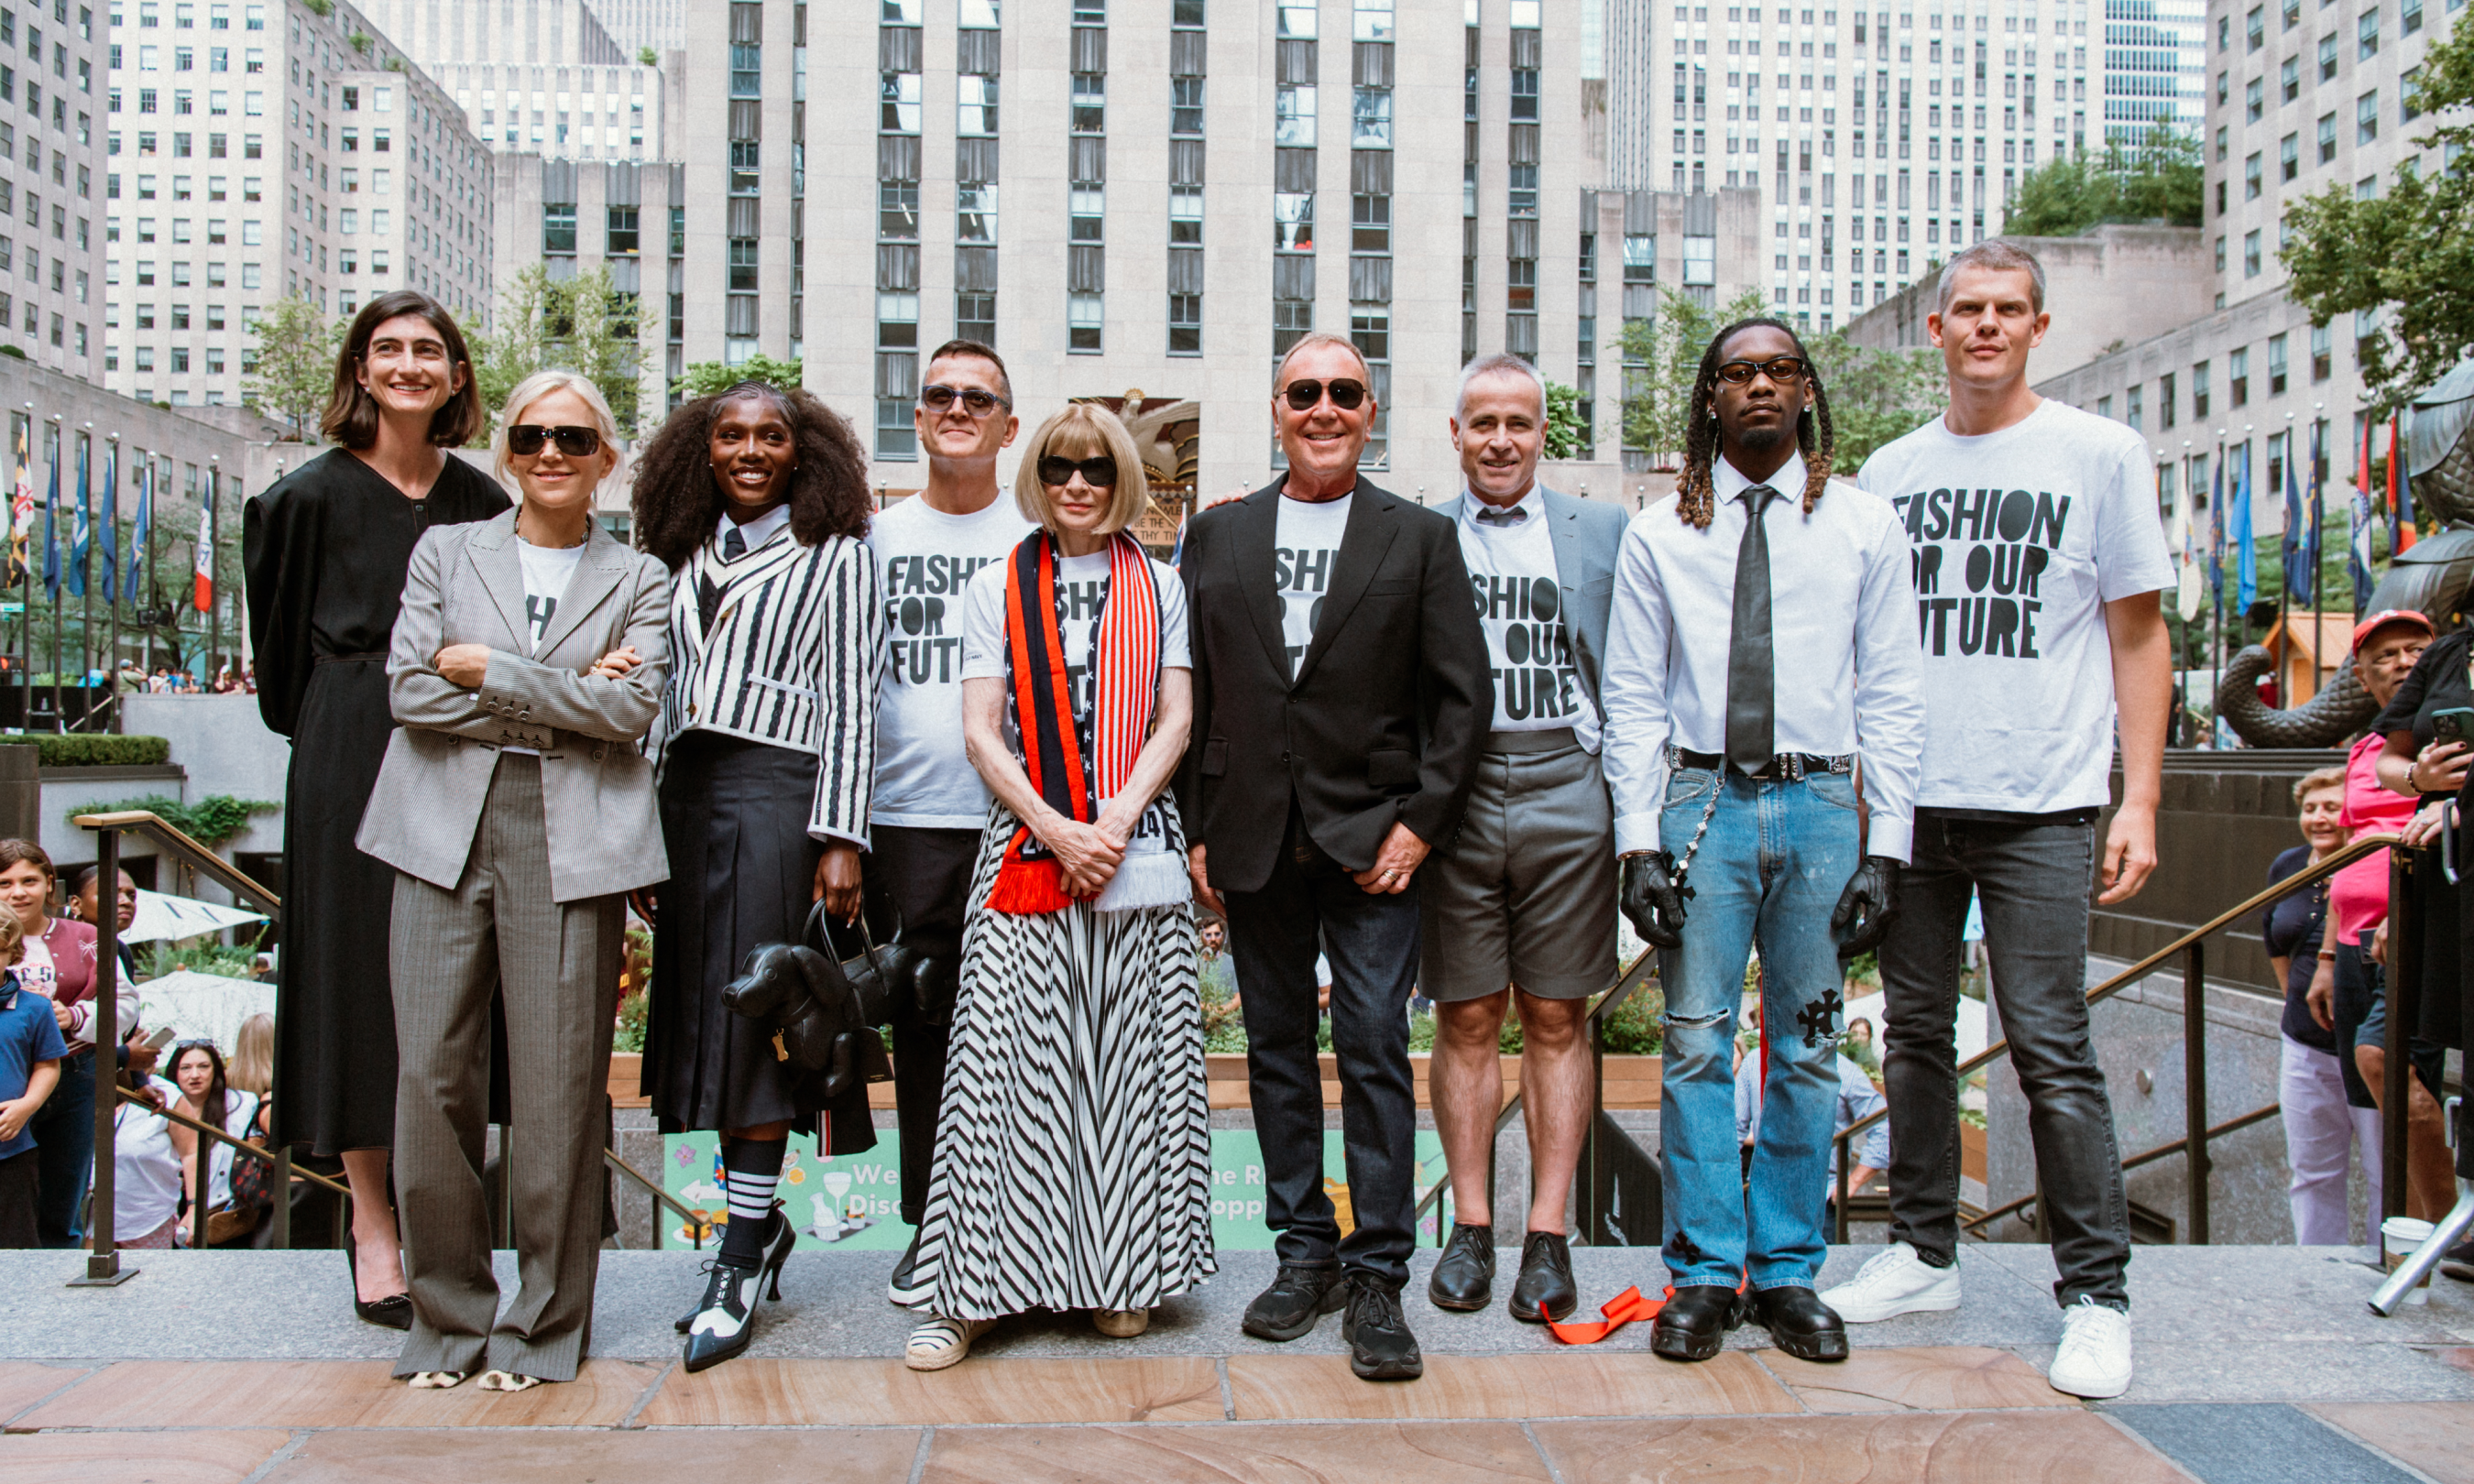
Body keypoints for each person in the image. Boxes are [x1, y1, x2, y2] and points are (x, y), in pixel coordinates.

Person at [1823, 241, 2173, 1402]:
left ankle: (2097, 1295)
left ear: (2039, 325)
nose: (1985, 327)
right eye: (1966, 310)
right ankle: (1925, 1253)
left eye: (2006, 310)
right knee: (1914, 1036)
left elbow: (2137, 634)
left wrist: (2143, 798)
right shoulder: (1889, 469)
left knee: (2050, 1045)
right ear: (1937, 331)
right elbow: (1870, 650)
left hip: (2045, 803)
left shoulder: (2099, 454)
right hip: (1914, 805)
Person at [1603, 316, 1922, 1366]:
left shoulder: (1865, 526)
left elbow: (1894, 693)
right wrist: (1637, 843)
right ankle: (1701, 1272)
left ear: (1807, 393)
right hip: (1701, 804)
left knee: (1812, 1042)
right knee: (1696, 1040)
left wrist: (1890, 847)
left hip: (1824, 808)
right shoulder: (1660, 533)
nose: (1760, 388)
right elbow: (1634, 696)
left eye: (1781, 371)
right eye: (1737, 373)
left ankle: (1787, 1272)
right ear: (1709, 398)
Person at [1177, 332, 1489, 1382]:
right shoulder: (1217, 537)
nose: (1323, 408)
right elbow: (1195, 694)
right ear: (1276, 407)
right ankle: (1302, 1254)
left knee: (1368, 1046)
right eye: (1303, 391)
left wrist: (1422, 824)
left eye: (1344, 393)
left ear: (1371, 410)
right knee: (1273, 1054)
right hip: (1254, 833)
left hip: (1375, 840)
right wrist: (1197, 826)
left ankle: (1379, 1279)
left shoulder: (1419, 538)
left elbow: (1462, 699)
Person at [356, 369, 673, 1391]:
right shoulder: (447, 550)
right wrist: (571, 692)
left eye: (575, 440)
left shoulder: (641, 577)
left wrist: (487, 669)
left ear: (606, 460)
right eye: (532, 436)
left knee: (560, 1089)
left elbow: (631, 719)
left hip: (574, 837)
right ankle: (447, 1320)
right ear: (506, 450)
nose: (551, 454)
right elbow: (409, 694)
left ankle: (541, 1329)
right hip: (440, 825)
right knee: (431, 1078)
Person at [900, 404, 1213, 1369]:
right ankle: (976, 1294)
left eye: (1096, 468)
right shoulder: (998, 584)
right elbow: (982, 730)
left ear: (1122, 478)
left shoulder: (1161, 584)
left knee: (1126, 1060)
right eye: (1060, 467)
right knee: (1000, 1066)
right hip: (1028, 845)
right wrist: (1057, 828)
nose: (1078, 483)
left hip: (1133, 842)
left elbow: (1177, 718)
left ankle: (1118, 1276)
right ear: (1038, 475)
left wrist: (1113, 822)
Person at [243, 289, 503, 1327]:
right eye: (387, 349)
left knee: (459, 977)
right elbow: (275, 680)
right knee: (357, 977)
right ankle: (373, 1225)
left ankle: (448, 1209)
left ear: (453, 375)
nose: (407, 365)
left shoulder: (485, 501)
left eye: (427, 350)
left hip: (466, 741)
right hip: (352, 743)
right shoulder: (301, 499)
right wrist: (346, 720)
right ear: (358, 369)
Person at [633, 379, 882, 1372]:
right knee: (702, 1031)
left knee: (760, 1032)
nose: (748, 450)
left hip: (781, 799)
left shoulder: (838, 558)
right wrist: (638, 831)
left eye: (769, 437)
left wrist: (841, 837)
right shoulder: (675, 556)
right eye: (729, 435)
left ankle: (738, 1257)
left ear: (800, 451)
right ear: (702, 450)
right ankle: (760, 1225)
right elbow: (655, 697)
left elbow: (854, 698)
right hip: (685, 801)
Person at [1421, 354, 1626, 1326]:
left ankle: (1547, 1236)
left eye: (1521, 422)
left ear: (1546, 434)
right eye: (1483, 422)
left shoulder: (1606, 531)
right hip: (1455, 792)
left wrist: (1634, 818)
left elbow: (1636, 675)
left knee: (1556, 1014)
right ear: (1454, 434)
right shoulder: (1417, 537)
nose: (1502, 439)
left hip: (1567, 783)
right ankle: (1469, 1228)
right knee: (1464, 1015)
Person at [862, 340, 1035, 1304]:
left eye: (979, 398)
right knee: (925, 1022)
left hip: (1021, 818)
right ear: (919, 419)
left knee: (1021, 1023)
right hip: (906, 817)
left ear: (1009, 428)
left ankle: (1022, 1221)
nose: (957, 408)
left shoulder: (1042, 536)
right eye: (940, 396)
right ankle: (933, 1226)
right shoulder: (873, 541)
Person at [2362, 609, 2465, 1222]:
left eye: (2410, 648)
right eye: (2387, 653)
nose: (2402, 660)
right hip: (2439, 882)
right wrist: (2422, 779)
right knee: (2383, 1050)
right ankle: (2451, 1228)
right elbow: (2390, 763)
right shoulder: (2449, 654)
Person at [2263, 764, 2388, 1245]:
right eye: (2310, 808)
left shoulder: (2373, 864)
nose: (2319, 817)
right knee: (2311, 1172)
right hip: (2304, 1042)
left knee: (2383, 1172)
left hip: (2364, 1044)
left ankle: (2387, 1262)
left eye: (2332, 807)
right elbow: (2272, 938)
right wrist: (2296, 1003)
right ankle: (2315, 1268)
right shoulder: (2289, 865)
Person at [1, 840, 127, 1250]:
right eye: (5, 883)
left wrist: (75, 1018)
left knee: (64, 1195)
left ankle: (56, 1297)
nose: (18, 892)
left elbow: (125, 1007)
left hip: (74, 1076)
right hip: (9, 1081)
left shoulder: (88, 936)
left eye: (29, 880)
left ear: (49, 884)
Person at [0, 913, 61, 1249]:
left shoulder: (34, 1008)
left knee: (16, 1243)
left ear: (13, 953)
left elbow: (48, 1065)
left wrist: (28, 1105)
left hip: (11, 1150)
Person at [167, 1040, 261, 1247]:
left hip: (225, 1212)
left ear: (216, 1070)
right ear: (175, 1072)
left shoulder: (242, 1106)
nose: (195, 1075)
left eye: (203, 1066)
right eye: (186, 1068)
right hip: (173, 1207)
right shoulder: (163, 1110)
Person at [111, 1057, 185, 1249]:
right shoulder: (92, 1085)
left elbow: (191, 1153)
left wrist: (193, 1208)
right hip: (98, 1215)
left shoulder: (168, 1095)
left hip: (149, 1217)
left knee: (150, 1275)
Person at [69, 865, 139, 980]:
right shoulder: (59, 946)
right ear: (76, 904)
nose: (127, 902)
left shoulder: (121, 951)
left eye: (131, 896)